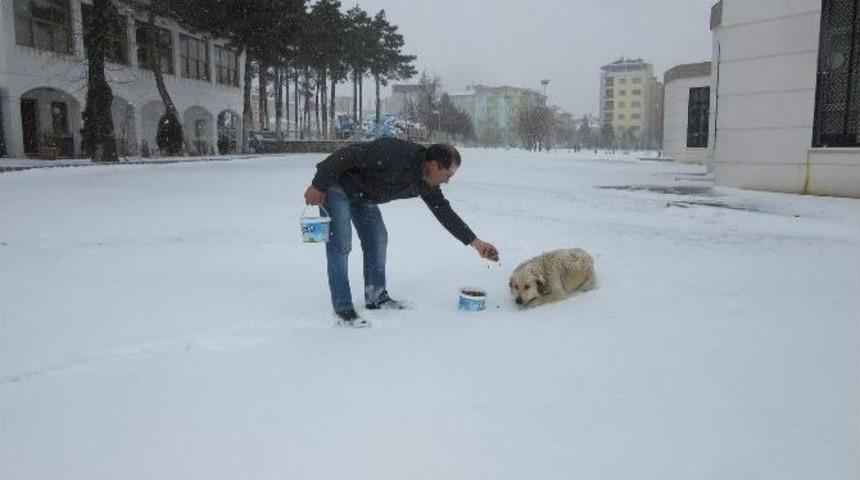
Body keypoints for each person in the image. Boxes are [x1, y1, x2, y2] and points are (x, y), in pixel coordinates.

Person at [304, 138, 500, 327]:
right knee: (341, 244)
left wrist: (477, 243)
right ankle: (343, 308)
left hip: (364, 196)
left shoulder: (426, 183)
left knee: (378, 239)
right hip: (336, 186)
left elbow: (444, 212)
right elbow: (347, 155)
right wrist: (319, 185)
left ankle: (376, 296)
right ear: (433, 165)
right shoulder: (394, 153)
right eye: (447, 175)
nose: (447, 181)